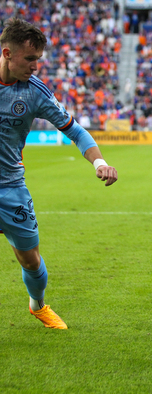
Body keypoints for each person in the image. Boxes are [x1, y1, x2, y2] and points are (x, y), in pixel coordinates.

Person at [0, 18, 118, 329]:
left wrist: (99, 162)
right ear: (7, 53)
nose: (35, 66)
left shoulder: (35, 93)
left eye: (38, 59)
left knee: (30, 260)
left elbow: (75, 131)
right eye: (29, 59)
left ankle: (37, 305)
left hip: (11, 187)